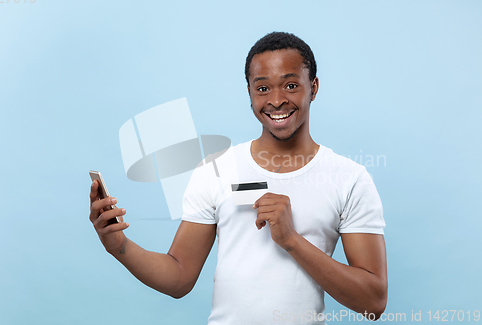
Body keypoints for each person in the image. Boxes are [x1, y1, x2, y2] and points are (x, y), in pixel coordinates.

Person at [89, 32, 387, 324]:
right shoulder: (216, 169)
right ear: (249, 92)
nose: (277, 100)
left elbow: (373, 303)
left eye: (291, 85)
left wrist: (291, 240)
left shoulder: (349, 179)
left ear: (314, 87)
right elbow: (179, 277)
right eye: (262, 89)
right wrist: (119, 246)